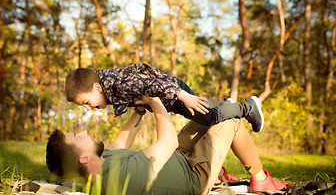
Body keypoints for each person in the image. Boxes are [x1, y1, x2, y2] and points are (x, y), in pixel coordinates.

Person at [46, 95, 286, 195]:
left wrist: (139, 110)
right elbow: (168, 141)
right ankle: (260, 177)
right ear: (84, 158)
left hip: (178, 158)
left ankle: (221, 163)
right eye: (79, 136)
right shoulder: (121, 178)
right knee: (231, 121)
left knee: (207, 117)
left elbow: (121, 143)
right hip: (195, 176)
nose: (85, 132)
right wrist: (156, 103)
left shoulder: (97, 169)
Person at [65, 63, 264, 133]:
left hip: (174, 94)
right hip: (172, 96)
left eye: (87, 103)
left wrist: (183, 95)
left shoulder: (117, 85)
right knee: (203, 107)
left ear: (97, 87)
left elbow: (152, 85)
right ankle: (226, 106)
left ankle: (247, 107)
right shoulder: (111, 86)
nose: (89, 108)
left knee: (207, 119)